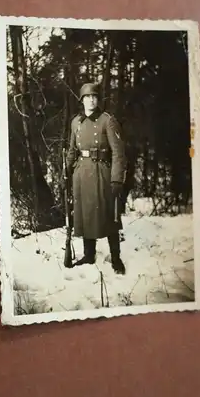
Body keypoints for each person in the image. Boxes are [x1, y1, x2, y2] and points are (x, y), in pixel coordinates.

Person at [65, 82, 127, 274]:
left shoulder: (107, 120)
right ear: (82, 100)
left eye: (94, 96)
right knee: (85, 213)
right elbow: (72, 150)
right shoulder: (76, 122)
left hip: (102, 172)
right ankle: (88, 255)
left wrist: (117, 179)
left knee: (109, 215)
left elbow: (118, 152)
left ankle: (116, 258)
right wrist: (66, 172)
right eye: (87, 97)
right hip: (81, 172)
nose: (91, 100)